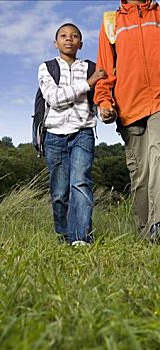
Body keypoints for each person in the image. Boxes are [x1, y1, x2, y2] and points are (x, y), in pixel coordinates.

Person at [94, 0, 160, 241]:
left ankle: (158, 225)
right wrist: (104, 102)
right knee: (140, 174)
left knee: (159, 158)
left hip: (158, 102)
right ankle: (145, 234)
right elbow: (104, 69)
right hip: (129, 106)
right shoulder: (111, 22)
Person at [38, 23, 106, 246]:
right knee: (59, 192)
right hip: (54, 136)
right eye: (64, 36)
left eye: (74, 36)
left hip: (83, 133)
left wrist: (106, 111)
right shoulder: (46, 68)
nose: (69, 39)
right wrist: (88, 83)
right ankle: (64, 236)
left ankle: (81, 239)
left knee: (80, 183)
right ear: (55, 43)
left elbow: (97, 102)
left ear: (81, 43)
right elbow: (54, 99)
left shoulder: (90, 67)